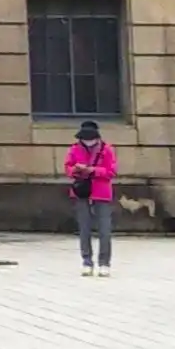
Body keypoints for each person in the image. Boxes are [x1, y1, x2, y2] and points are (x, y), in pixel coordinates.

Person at [65, 119, 117, 278]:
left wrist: (93, 170)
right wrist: (76, 170)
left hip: (101, 193)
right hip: (82, 192)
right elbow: (68, 168)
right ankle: (87, 261)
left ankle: (104, 263)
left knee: (104, 230)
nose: (87, 141)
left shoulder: (107, 150)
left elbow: (111, 171)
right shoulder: (74, 149)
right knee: (84, 230)